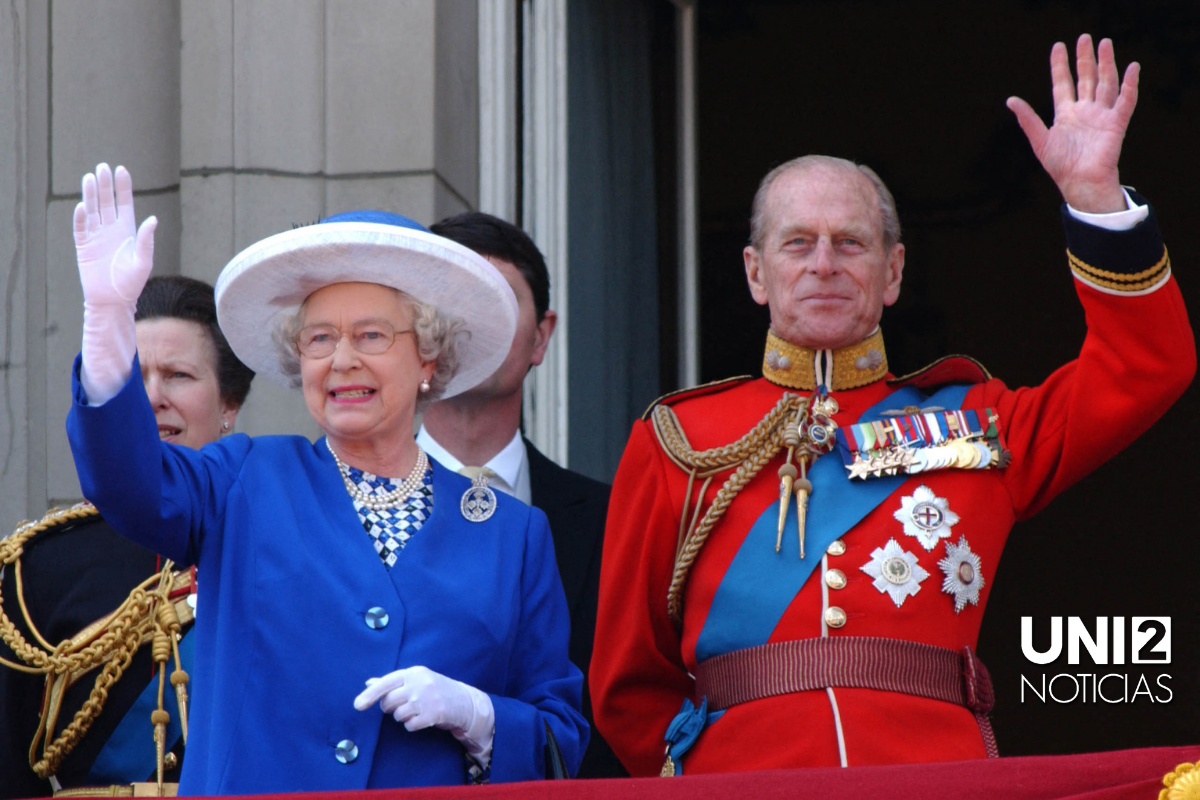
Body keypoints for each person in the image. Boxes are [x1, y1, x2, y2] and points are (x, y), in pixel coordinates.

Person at [590, 35, 1195, 776]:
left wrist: (1095, 199)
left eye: (851, 242)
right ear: (755, 272)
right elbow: (630, 688)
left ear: (893, 271)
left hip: (935, 775)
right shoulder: (675, 440)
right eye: (797, 243)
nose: (823, 264)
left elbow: (1145, 367)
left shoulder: (983, 422)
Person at [63, 164, 588, 794]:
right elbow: (130, 484)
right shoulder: (243, 480)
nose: (342, 360)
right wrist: (107, 329)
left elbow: (562, 738)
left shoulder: (512, 533)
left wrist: (481, 718)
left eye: (371, 334)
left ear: (428, 355)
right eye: (319, 338)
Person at [0, 275, 254, 798]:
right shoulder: (37, 568)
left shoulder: (276, 545)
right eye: (133, 378)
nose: (152, 398)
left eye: (178, 375)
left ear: (229, 403)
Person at [421, 212, 624, 778]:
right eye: (453, 301)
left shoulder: (615, 522)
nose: (474, 326)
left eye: (499, 303)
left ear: (541, 335)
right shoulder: (337, 505)